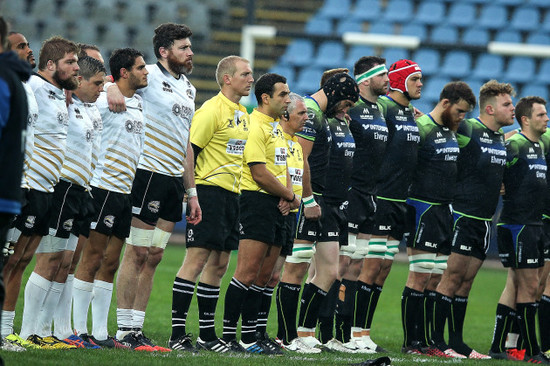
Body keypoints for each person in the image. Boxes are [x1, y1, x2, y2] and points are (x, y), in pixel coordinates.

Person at [104, 23, 200, 352]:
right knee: (138, 251)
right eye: (183, 47)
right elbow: (114, 81)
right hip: (148, 174)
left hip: (174, 180)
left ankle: (137, 329)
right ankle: (124, 329)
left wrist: (192, 192)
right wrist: (110, 87)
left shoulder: (189, 88)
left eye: (189, 47)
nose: (190, 53)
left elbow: (186, 143)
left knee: (156, 255)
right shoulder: (147, 76)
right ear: (164, 52)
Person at [18, 56, 106, 350]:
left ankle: (45, 330)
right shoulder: (62, 106)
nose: (101, 89)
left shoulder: (90, 109)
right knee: (49, 259)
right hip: (62, 188)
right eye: (96, 83)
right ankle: (30, 330)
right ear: (78, 81)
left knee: (65, 262)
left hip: (81, 190)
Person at [169, 55, 253, 353]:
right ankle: (177, 334)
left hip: (233, 196)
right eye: (245, 74)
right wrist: (191, 193)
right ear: (227, 78)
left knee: (219, 265)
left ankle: (207, 336)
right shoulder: (211, 111)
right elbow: (188, 153)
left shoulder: (243, 113)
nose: (251, 79)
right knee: (195, 261)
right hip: (209, 192)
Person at [2, 36, 80, 349]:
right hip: (27, 184)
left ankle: (8, 330)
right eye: (70, 62)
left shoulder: (55, 92)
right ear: (52, 66)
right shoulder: (30, 86)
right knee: (10, 260)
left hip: (47, 186)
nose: (76, 67)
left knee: (21, 260)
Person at [431, 80, 515, 359]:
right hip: (461, 216)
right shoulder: (468, 129)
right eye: (506, 104)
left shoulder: (501, 138)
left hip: (484, 220)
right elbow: (440, 135)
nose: (512, 109)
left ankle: (458, 341)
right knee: (451, 278)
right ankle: (437, 341)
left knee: (466, 282)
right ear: (489, 108)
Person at [275, 72, 358, 353]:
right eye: (345, 103)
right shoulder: (309, 113)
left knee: (331, 271)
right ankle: (285, 336)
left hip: (325, 201)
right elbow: (300, 159)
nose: (346, 110)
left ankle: (304, 331)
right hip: (308, 200)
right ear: (334, 94)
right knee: (295, 269)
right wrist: (307, 199)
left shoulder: (324, 116)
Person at [72, 48, 148, 350]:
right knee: (91, 259)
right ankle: (79, 330)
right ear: (125, 72)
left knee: (111, 262)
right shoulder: (104, 100)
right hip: (102, 187)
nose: (146, 72)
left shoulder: (139, 103)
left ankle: (102, 334)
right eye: (141, 67)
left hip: (123, 191)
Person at [221, 72, 297, 353]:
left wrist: (290, 198)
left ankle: (253, 336)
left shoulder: (277, 127)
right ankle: (230, 337)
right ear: (265, 98)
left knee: (265, 276)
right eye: (283, 95)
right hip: (257, 202)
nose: (288, 99)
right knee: (247, 272)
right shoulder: (255, 125)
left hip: (279, 204)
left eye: (288, 94)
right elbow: (259, 171)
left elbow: (284, 167)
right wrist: (288, 195)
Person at [351, 59, 423, 353]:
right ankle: (355, 334)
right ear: (402, 80)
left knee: (382, 270)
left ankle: (364, 332)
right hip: (379, 198)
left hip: (399, 202)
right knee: (367, 269)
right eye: (415, 79)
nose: (420, 84)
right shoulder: (386, 110)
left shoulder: (408, 113)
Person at [400, 82, 476, 358]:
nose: (461, 117)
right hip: (422, 209)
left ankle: (426, 341)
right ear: (445, 103)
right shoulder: (422, 129)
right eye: (459, 111)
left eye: (465, 113)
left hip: (444, 211)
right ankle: (411, 343)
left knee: (434, 280)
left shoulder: (452, 131)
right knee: (419, 277)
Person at [332, 56, 389, 351]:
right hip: (351, 194)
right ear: (366, 79)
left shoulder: (381, 108)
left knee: (357, 266)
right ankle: (325, 330)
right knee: (342, 263)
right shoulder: (351, 108)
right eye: (384, 74)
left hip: (370, 196)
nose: (389, 79)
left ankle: (346, 335)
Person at [489, 96, 550, 364]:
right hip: (517, 225)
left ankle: (501, 345)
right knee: (528, 286)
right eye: (541, 115)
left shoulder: (537, 145)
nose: (546, 119)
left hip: (533, 224)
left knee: (523, 285)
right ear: (526, 119)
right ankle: (531, 351)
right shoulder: (515, 145)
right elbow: (492, 167)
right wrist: (499, 184)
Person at [0, 17, 32, 355]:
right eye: (21, 45)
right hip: (11, 191)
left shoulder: (8, 81)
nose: (28, 51)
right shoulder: (17, 82)